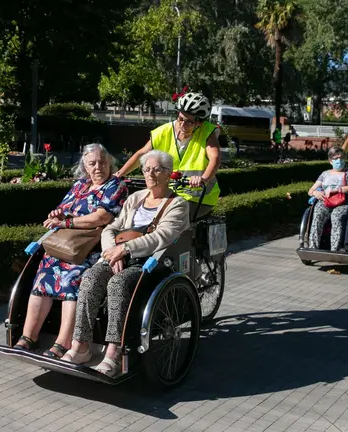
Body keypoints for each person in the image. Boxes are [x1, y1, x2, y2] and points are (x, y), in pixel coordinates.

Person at [62, 150, 190, 377]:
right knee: (90, 278)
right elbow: (112, 227)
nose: (150, 173)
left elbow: (162, 236)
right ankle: (80, 346)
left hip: (150, 260)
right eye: (146, 169)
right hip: (118, 254)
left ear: (169, 173)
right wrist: (112, 251)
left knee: (118, 285)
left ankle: (114, 352)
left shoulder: (177, 204)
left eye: (157, 169)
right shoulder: (135, 198)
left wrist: (126, 249)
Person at [14, 143, 128, 359]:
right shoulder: (80, 185)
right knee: (43, 276)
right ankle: (28, 337)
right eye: (92, 163)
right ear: (85, 166)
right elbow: (63, 210)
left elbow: (101, 218)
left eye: (102, 162)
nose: (98, 167)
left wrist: (67, 223)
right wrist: (57, 214)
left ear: (109, 163)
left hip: (89, 248)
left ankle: (63, 342)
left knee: (71, 279)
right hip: (65, 245)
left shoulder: (116, 186)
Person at [114, 91, 220, 219]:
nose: (182, 124)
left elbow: (215, 158)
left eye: (189, 122)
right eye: (180, 118)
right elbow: (141, 154)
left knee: (164, 218)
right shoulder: (164, 131)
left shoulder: (207, 132)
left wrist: (203, 179)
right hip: (167, 193)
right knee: (135, 213)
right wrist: (119, 175)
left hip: (198, 199)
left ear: (199, 123)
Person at [307, 146, 348, 251]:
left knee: (336, 216)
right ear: (330, 161)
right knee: (317, 214)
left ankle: (335, 249)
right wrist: (315, 192)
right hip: (326, 201)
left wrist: (337, 189)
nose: (339, 161)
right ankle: (313, 247)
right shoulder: (325, 174)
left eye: (341, 158)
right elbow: (311, 190)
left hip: (343, 201)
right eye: (335, 158)